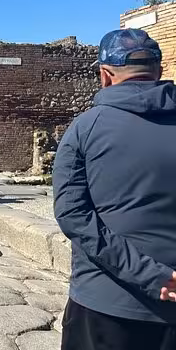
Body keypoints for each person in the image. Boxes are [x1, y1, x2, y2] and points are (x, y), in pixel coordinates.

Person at [53, 29, 176, 350]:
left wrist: (151, 275)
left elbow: (73, 215)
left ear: (105, 75)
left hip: (107, 303)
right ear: (159, 71)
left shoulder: (85, 128)